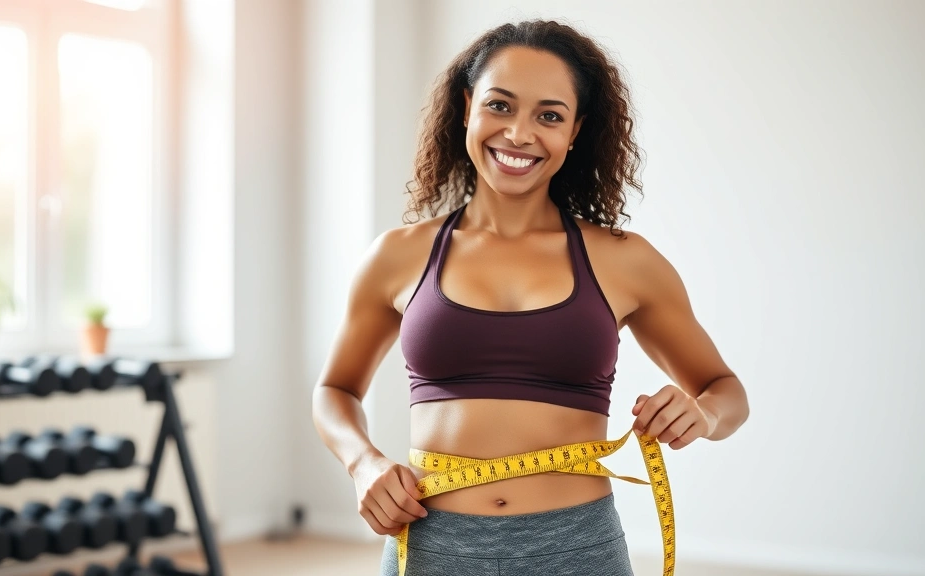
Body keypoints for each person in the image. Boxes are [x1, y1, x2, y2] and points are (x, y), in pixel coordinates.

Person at [312, 19, 750, 576]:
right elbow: (334, 389)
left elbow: (726, 392)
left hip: (577, 548)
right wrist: (362, 461)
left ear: (575, 132)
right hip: (432, 545)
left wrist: (703, 415)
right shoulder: (397, 256)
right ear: (467, 107)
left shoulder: (625, 259)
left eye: (549, 115)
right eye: (500, 105)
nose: (519, 134)